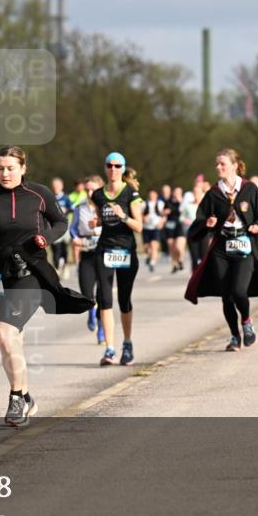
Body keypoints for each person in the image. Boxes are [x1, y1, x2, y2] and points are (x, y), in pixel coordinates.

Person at [0, 146, 91, 426]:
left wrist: (45, 237)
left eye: (10, 168)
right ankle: (27, 396)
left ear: (23, 168)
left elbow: (61, 222)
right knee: (8, 339)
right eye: (0, 168)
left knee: (7, 334)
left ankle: (16, 398)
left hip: (29, 270)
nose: (4, 173)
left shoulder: (39, 194)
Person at [185, 149, 258, 351]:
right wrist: (208, 223)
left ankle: (247, 323)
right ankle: (234, 336)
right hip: (221, 248)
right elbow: (198, 222)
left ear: (234, 165)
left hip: (244, 246)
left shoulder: (250, 190)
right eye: (217, 164)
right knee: (226, 295)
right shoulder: (214, 193)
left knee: (239, 291)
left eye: (222, 164)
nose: (218, 167)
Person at [91, 153, 144, 365]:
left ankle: (127, 343)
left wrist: (123, 216)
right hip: (104, 250)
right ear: (105, 168)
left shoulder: (131, 193)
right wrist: (95, 223)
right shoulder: (97, 195)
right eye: (110, 165)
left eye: (117, 166)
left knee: (124, 299)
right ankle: (110, 349)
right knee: (104, 298)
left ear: (123, 168)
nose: (113, 169)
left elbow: (139, 226)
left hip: (126, 251)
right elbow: (99, 218)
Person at [70, 175, 105, 344]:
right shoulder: (79, 207)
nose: (90, 192)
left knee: (103, 294)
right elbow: (73, 228)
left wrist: (98, 228)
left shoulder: (106, 207)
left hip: (103, 252)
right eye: (88, 189)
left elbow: (114, 227)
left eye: (94, 189)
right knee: (87, 292)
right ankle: (91, 311)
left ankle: (101, 329)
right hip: (86, 252)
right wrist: (75, 238)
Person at [50, 177, 75, 278]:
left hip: (65, 227)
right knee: (55, 248)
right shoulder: (50, 197)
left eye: (57, 186)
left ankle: (64, 266)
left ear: (62, 186)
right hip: (53, 227)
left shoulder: (66, 198)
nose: (55, 188)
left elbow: (73, 208)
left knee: (64, 248)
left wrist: (65, 211)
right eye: (54, 186)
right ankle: (57, 268)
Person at [181, 181, 204, 271]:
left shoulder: (206, 205)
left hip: (204, 233)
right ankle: (194, 279)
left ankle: (204, 278)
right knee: (194, 258)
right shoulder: (188, 205)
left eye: (198, 192)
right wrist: (185, 220)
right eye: (194, 192)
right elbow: (181, 217)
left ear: (202, 193)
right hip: (192, 233)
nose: (196, 194)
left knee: (204, 257)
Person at [141, 189, 165, 272]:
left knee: (154, 246)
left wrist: (161, 223)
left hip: (156, 227)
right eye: (150, 194)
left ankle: (152, 263)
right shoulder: (144, 204)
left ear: (156, 195)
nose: (152, 196)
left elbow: (164, 215)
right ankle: (149, 256)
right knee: (146, 247)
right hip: (146, 228)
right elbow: (139, 214)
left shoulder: (160, 204)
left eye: (153, 194)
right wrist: (144, 218)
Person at [165, 186, 186, 273]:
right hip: (170, 226)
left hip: (180, 225)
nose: (177, 194)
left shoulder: (183, 202)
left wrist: (180, 201)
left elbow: (184, 211)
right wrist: (165, 212)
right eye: (175, 192)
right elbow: (163, 212)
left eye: (179, 192)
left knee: (178, 247)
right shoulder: (168, 202)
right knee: (171, 246)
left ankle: (180, 260)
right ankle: (174, 265)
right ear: (173, 193)